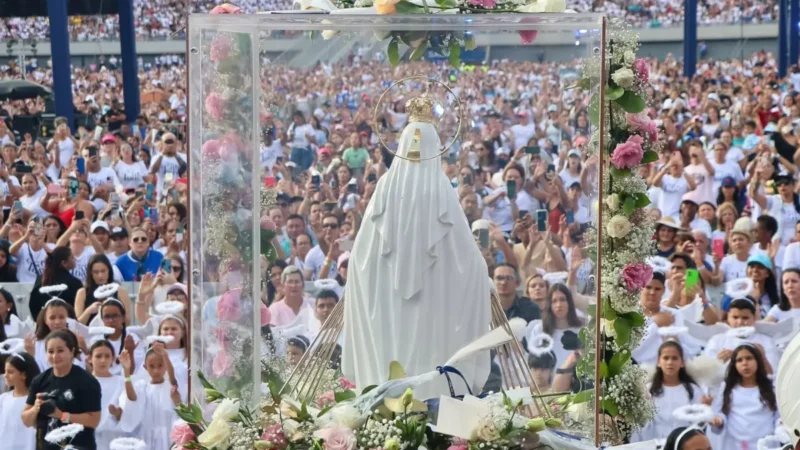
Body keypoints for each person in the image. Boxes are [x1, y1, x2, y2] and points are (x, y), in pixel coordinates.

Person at [22, 329, 102, 450]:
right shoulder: (39, 380)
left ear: (72, 351)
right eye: (50, 351)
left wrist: (62, 415)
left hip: (78, 446)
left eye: (60, 351)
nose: (55, 356)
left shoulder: (86, 381)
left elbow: (94, 420)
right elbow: (26, 421)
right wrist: (36, 408)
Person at [633, 340, 706, 442]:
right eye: (666, 358)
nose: (670, 362)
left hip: (684, 443)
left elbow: (699, 423)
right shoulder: (649, 390)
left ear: (682, 362)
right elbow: (643, 423)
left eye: (674, 358)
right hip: (656, 442)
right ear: (659, 361)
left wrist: (705, 410)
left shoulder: (693, 390)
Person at [709, 344, 779, 449]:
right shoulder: (727, 387)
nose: (745, 363)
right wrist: (718, 420)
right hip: (735, 444)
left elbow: (778, 416)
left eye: (749, 358)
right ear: (734, 365)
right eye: (739, 360)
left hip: (766, 444)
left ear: (758, 361)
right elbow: (721, 412)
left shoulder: (771, 386)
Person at [117, 345, 181, 449]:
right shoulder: (143, 387)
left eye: (160, 365)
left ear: (165, 366)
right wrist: (126, 371)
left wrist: (165, 355)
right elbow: (132, 398)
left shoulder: (170, 388)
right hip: (146, 438)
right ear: (145, 367)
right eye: (152, 366)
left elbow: (174, 381)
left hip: (167, 438)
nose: (156, 370)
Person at [87, 340, 125, 449]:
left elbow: (130, 414)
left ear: (113, 358)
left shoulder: (121, 382)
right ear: (90, 358)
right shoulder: (82, 381)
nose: (103, 360)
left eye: (107, 356)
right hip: (89, 437)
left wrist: (118, 413)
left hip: (114, 439)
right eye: (98, 356)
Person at [74, 254, 131, 325]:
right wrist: (89, 311)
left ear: (109, 271)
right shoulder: (82, 292)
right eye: (96, 272)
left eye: (103, 271)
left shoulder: (120, 291)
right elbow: (78, 324)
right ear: (90, 273)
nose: (100, 275)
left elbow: (128, 323)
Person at [0, 351, 40, 450]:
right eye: (5, 371)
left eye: (10, 372)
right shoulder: (3, 398)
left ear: (24, 375)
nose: (5, 375)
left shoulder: (35, 400)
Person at [28, 247, 82, 318]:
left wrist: (41, 321)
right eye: (72, 257)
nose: (75, 259)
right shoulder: (74, 283)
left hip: (45, 322)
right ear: (64, 263)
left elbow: (33, 305)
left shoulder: (40, 279)